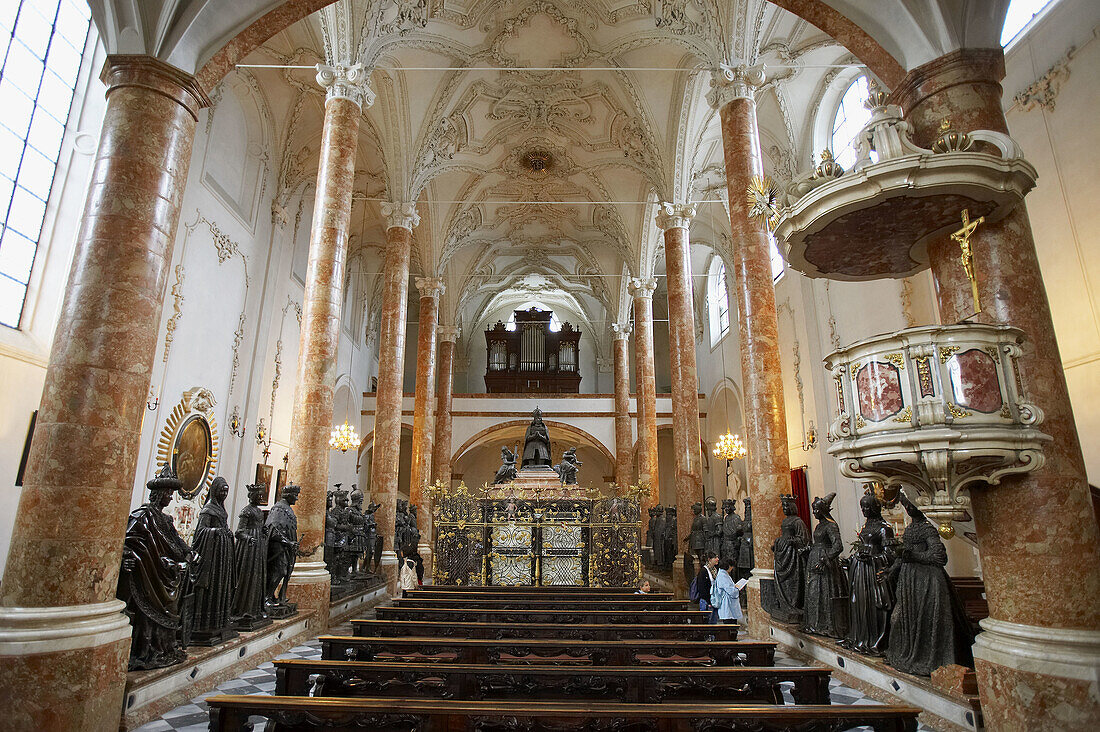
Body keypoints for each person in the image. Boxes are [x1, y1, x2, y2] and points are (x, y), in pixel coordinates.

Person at [711, 558, 744, 624]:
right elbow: (731, 591)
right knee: (730, 625)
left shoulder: (723, 574)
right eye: (731, 566)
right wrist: (737, 589)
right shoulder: (723, 576)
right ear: (728, 566)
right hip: (727, 605)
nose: (732, 568)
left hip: (729, 604)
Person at [694, 550, 720, 623]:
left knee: (713, 622)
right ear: (709, 559)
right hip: (706, 602)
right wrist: (709, 601)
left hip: (714, 601)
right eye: (715, 558)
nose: (717, 559)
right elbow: (702, 588)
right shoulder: (703, 571)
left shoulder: (715, 570)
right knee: (707, 622)